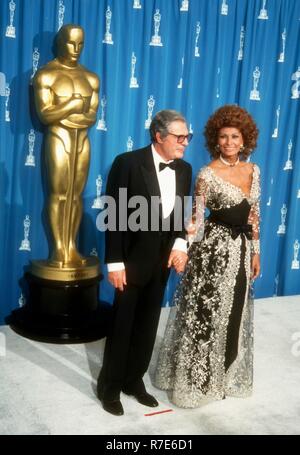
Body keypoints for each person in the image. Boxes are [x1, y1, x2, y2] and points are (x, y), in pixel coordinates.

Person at [154, 105, 260, 408]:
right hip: (212, 255)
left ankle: (223, 375)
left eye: (234, 136)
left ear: (244, 140)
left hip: (241, 253)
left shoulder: (254, 171)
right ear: (216, 140)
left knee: (235, 313)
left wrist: (256, 251)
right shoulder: (206, 174)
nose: (228, 142)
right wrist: (183, 251)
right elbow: (197, 220)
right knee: (205, 316)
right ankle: (197, 380)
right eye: (223, 137)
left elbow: (255, 214)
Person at [97, 110, 192, 416]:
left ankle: (133, 381)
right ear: (159, 136)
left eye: (187, 137)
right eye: (180, 137)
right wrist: (114, 263)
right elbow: (114, 216)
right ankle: (109, 387)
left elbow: (182, 215)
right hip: (130, 261)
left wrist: (180, 245)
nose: (185, 143)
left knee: (148, 325)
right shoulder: (127, 163)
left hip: (162, 264)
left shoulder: (186, 169)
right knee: (122, 325)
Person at [33, 24, 99, 266]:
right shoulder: (46, 75)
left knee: (76, 195)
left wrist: (62, 112)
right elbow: (45, 115)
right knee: (59, 194)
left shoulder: (90, 78)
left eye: (81, 44)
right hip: (58, 138)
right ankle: (58, 250)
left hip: (82, 138)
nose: (76, 49)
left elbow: (91, 116)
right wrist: (72, 106)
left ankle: (71, 247)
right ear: (60, 43)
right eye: (71, 43)